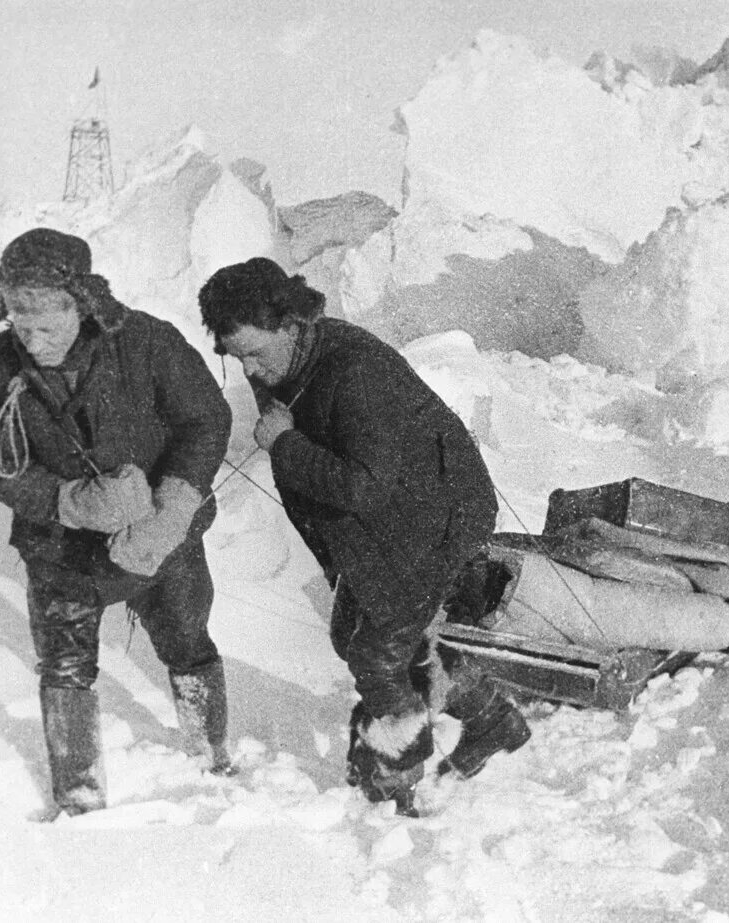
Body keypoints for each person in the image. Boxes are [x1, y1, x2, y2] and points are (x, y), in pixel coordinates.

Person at [198, 257, 530, 815]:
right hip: (387, 520)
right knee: (361, 635)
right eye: (238, 357)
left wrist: (285, 444)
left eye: (257, 352)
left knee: (376, 652)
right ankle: (493, 719)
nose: (251, 370)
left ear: (291, 324)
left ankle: (399, 779)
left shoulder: (353, 373)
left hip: (434, 517)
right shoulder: (287, 363)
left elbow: (362, 485)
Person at [0, 228, 234, 817]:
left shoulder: (144, 341)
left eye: (47, 322)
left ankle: (210, 754)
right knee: (64, 664)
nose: (32, 338)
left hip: (165, 535)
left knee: (186, 638)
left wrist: (173, 508)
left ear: (82, 304)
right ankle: (79, 796)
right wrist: (71, 501)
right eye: (18, 320)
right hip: (60, 548)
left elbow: (207, 418)